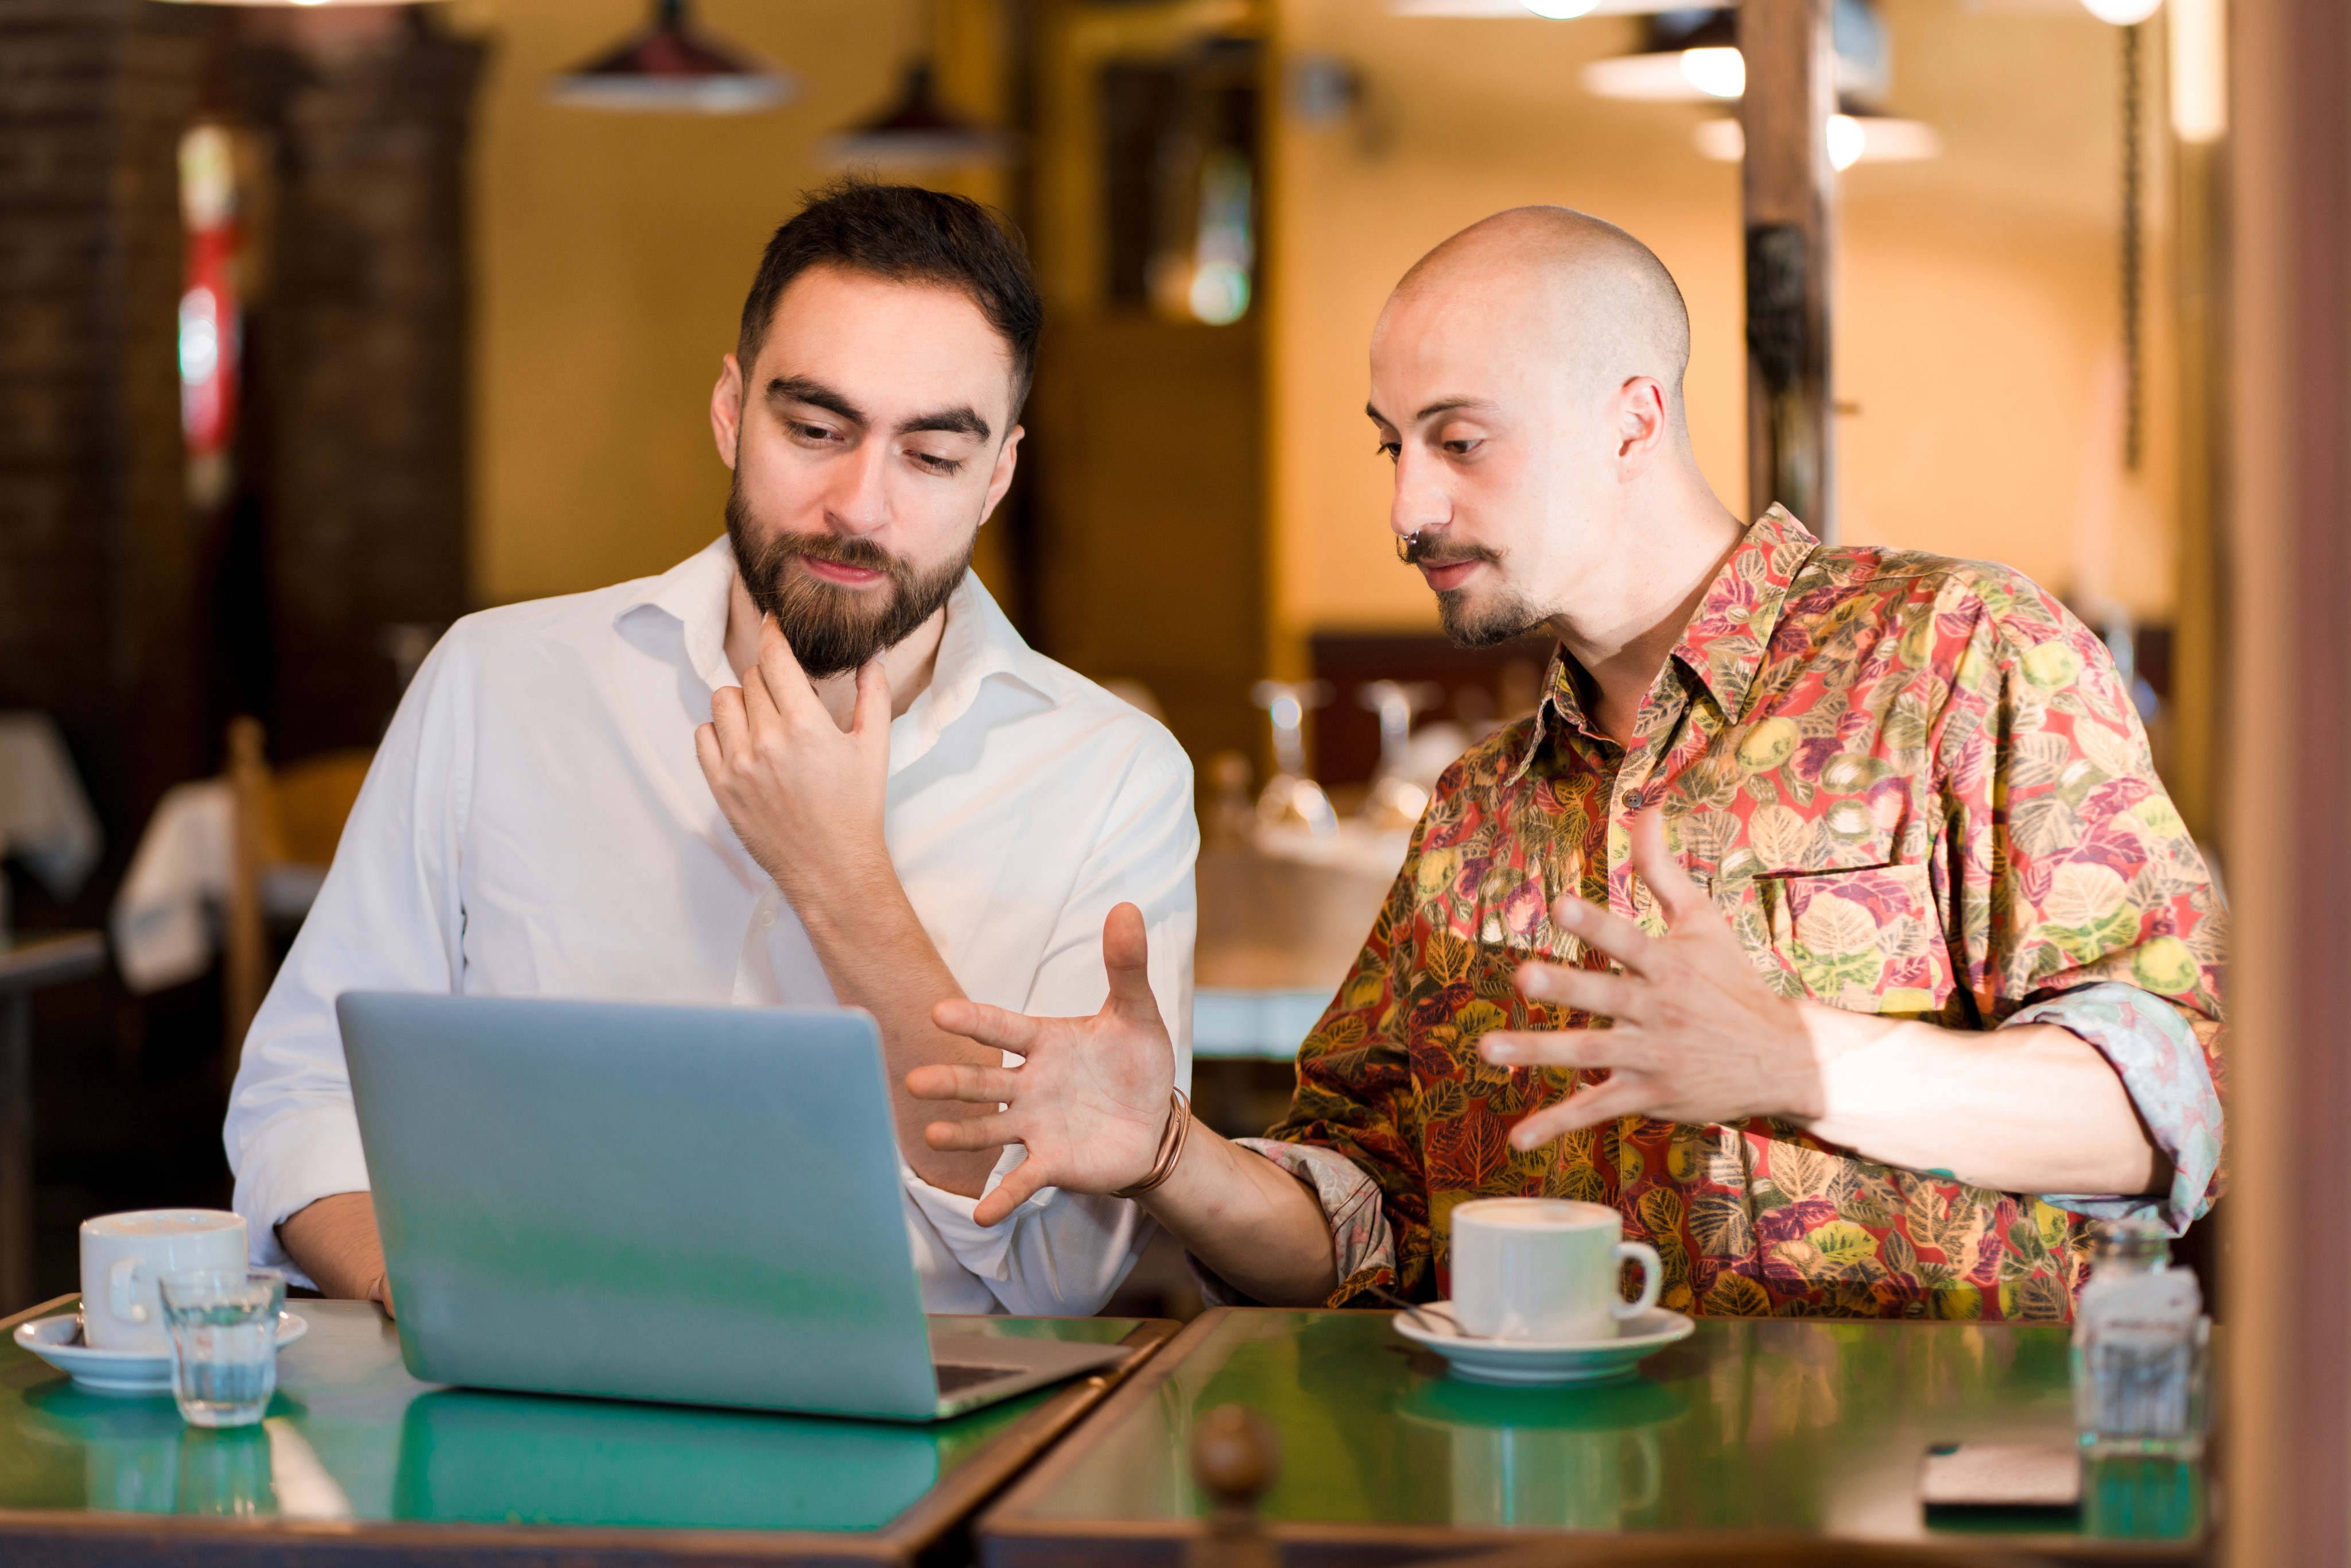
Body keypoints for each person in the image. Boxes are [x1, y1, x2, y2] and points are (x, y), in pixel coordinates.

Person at [910, 207, 2224, 1319]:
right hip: (1544, 1507)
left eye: (1459, 441)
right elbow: (1364, 1220)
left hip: (1916, 1509)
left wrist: (1803, 1060)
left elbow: (2181, 1106)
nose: (1406, 508)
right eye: (1391, 443)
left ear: (1632, 419)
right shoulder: (1475, 816)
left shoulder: (1954, 650)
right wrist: (1165, 1156)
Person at [224, 181, 1197, 1316]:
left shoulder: (1110, 773)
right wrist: (426, 1293)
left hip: (933, 1436)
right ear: (733, 412)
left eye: (931, 455)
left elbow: (1060, 1272)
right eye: (816, 429)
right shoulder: (499, 683)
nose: (857, 504)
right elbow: (307, 1093)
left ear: (998, 475)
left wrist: (840, 881)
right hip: (518, 1419)